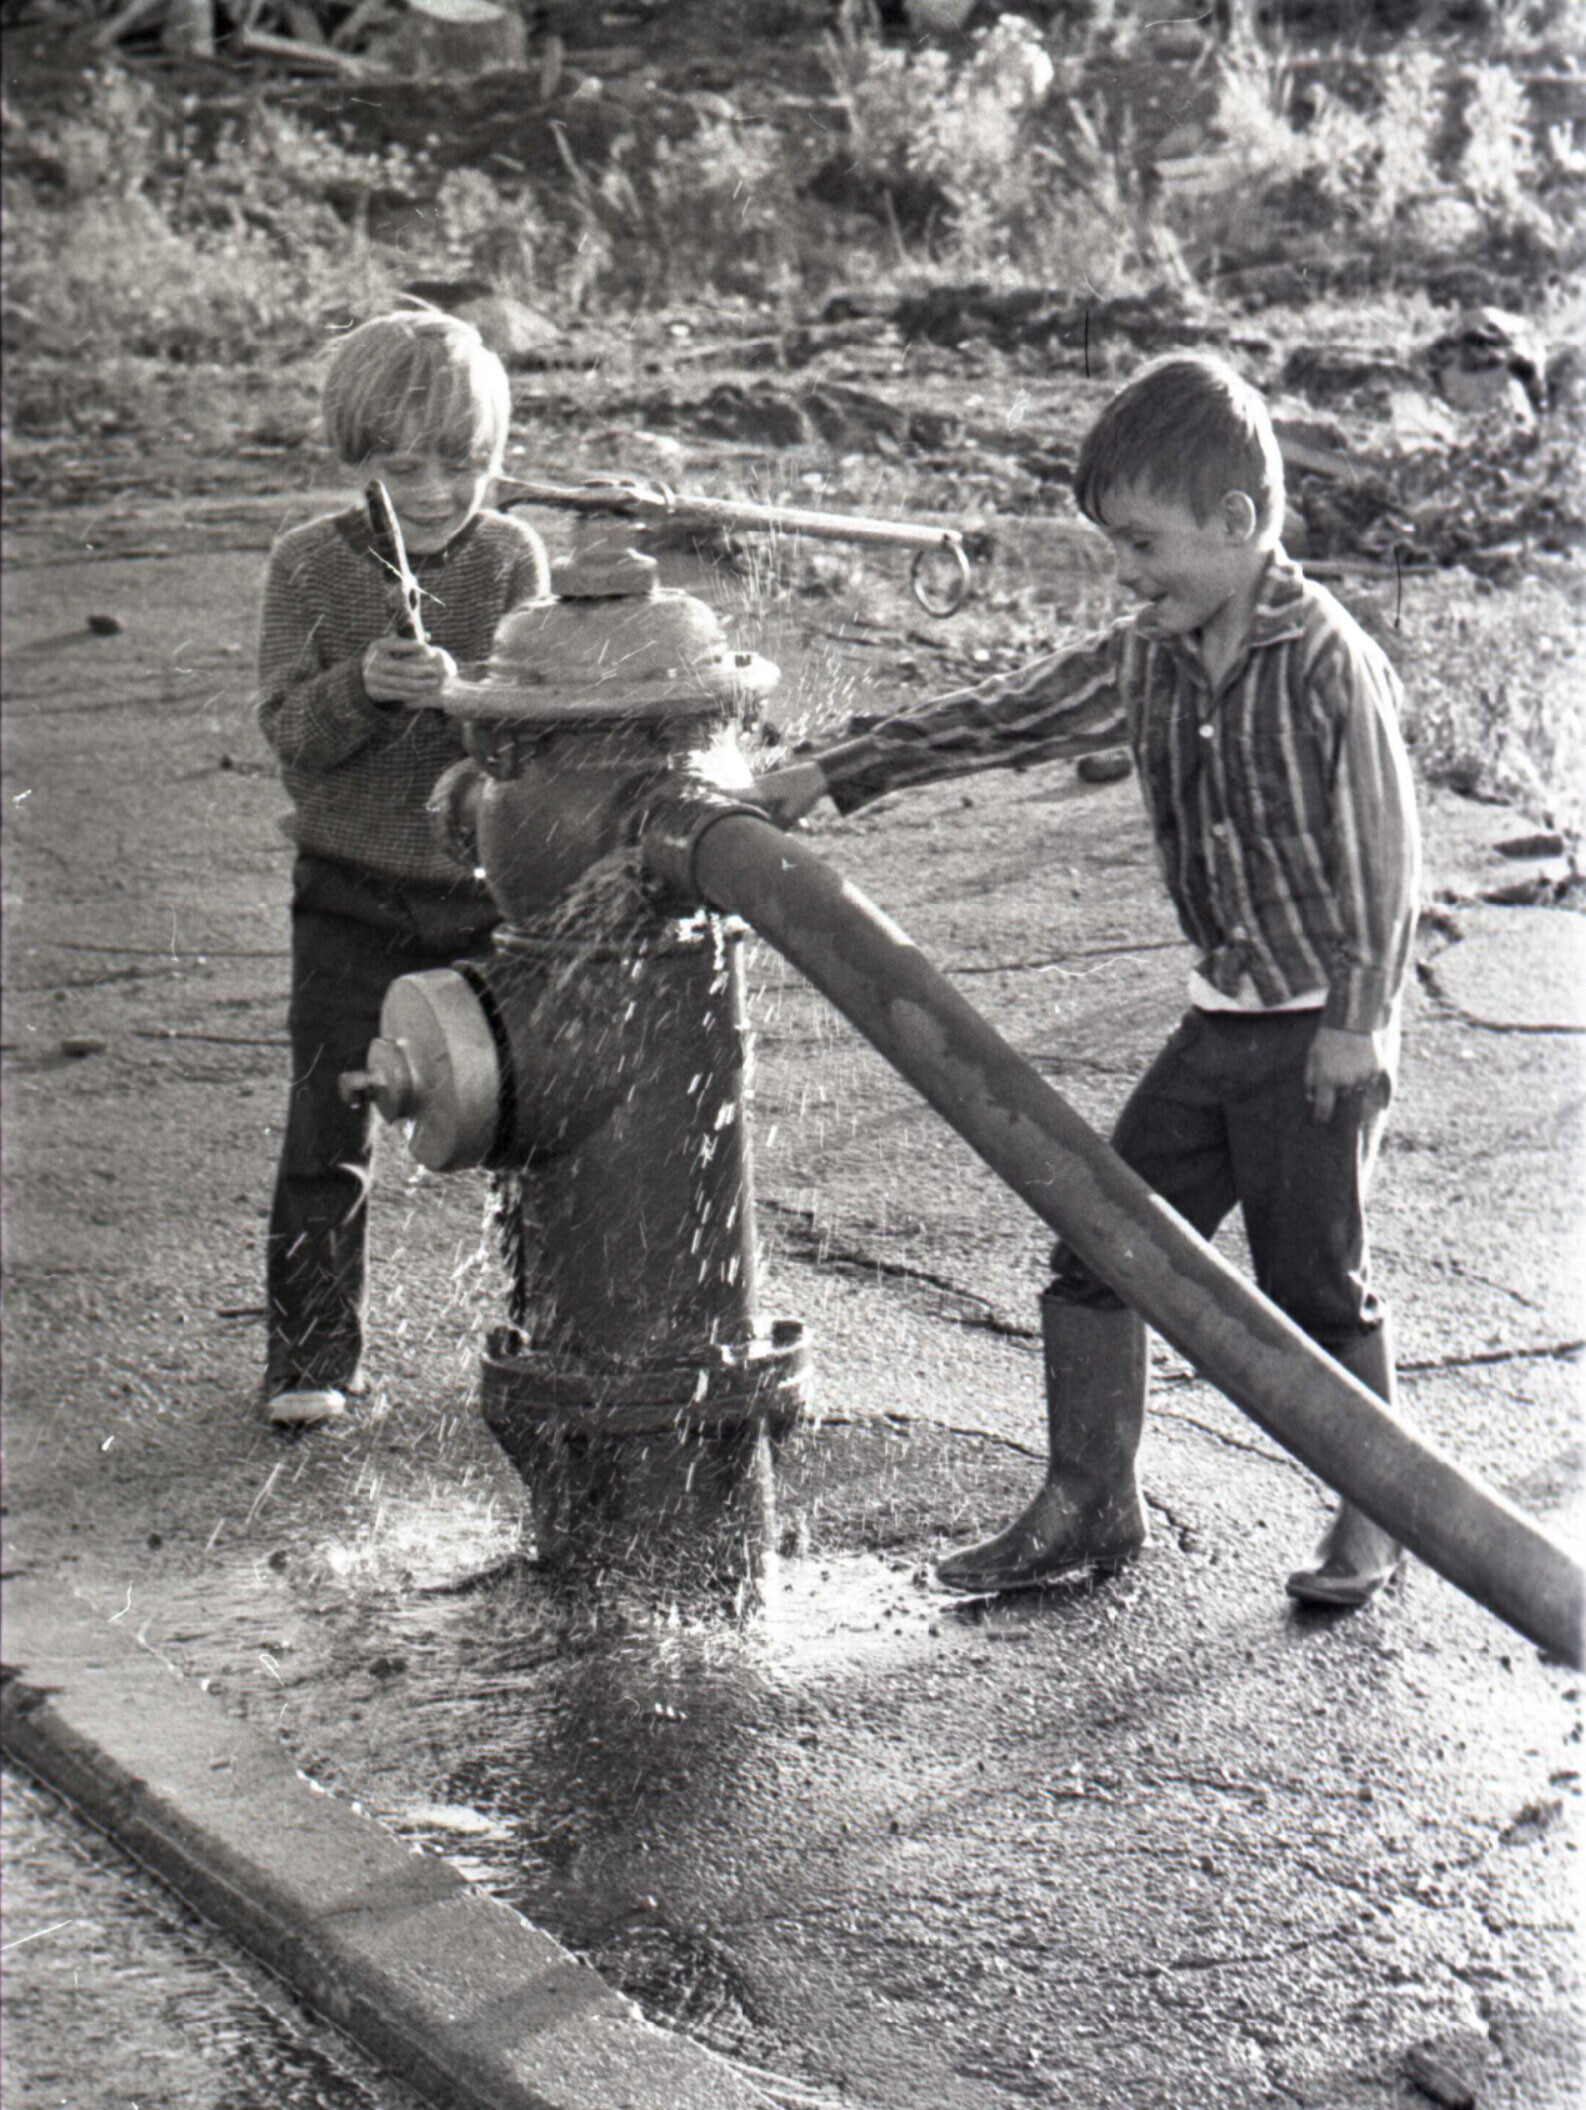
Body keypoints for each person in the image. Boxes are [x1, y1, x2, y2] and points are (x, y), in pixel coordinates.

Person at [751, 352, 1421, 1610]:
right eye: (1113, 546)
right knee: (1096, 1247)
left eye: (1141, 544)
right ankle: (1087, 1502)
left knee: (1312, 1286)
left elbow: (1385, 854)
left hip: (1315, 1037)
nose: (1125, 573)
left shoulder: (1328, 662)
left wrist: (1356, 1021)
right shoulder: (1149, 655)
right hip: (1220, 1021)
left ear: (1235, 523)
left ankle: (1370, 1521)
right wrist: (831, 772)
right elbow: (1002, 716)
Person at [255, 310, 550, 1430]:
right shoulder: (308, 566)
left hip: (482, 894)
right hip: (345, 893)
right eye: (404, 467)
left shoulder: (511, 557)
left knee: (531, 1117)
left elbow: (529, 733)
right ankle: (311, 1356)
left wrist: (465, 694)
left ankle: (546, 1327)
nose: (436, 492)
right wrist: (361, 689)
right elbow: (290, 730)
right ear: (354, 456)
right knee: (329, 1125)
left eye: (465, 465)